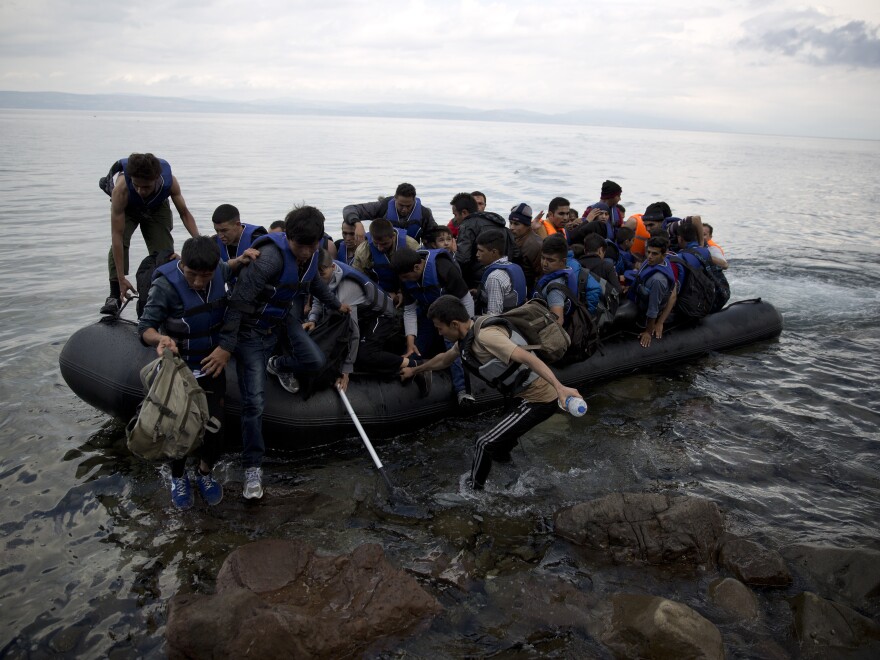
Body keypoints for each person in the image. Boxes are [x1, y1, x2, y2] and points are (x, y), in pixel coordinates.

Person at [202, 206, 350, 501]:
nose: (307, 252)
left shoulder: (312, 254)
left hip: (281, 321)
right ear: (289, 237)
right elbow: (239, 302)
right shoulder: (269, 259)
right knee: (254, 403)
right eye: (301, 246)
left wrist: (335, 305)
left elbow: (315, 284)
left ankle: (278, 364)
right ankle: (252, 468)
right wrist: (226, 347)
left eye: (313, 246)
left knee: (315, 360)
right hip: (252, 333)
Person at [400, 295, 584, 490]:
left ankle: (474, 493)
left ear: (454, 324)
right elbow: (444, 359)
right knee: (498, 448)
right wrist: (414, 370)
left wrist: (560, 387)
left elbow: (529, 359)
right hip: (520, 396)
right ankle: (519, 484)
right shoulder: (466, 337)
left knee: (484, 443)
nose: (439, 333)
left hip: (538, 398)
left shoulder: (487, 336)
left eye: (439, 328)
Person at [138, 236, 254, 509]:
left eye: (206, 276)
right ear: (182, 264)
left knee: (216, 427)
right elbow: (145, 327)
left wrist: (243, 259)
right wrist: (160, 340)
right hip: (180, 369)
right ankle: (178, 477)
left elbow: (230, 266)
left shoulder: (220, 270)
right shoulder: (165, 285)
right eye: (192, 275)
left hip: (211, 365)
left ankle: (204, 473)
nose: (199, 283)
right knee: (178, 428)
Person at [305, 250, 431, 393]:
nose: (318, 279)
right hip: (362, 315)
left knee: (365, 355)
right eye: (315, 275)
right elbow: (319, 295)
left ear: (333, 267)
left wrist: (346, 371)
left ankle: (418, 365)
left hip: (381, 315)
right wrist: (313, 319)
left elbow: (353, 332)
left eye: (321, 274)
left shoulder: (346, 291)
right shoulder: (324, 276)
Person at [102, 153, 199, 314]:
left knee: (164, 253)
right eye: (136, 185)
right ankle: (114, 295)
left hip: (157, 206)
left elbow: (185, 214)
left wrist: (199, 240)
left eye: (146, 187)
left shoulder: (170, 183)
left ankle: (164, 293)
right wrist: (121, 278)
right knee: (121, 243)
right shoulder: (121, 191)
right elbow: (117, 236)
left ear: (156, 178)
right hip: (128, 207)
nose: (140, 190)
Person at [390, 247, 475, 406]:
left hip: (453, 317)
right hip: (429, 315)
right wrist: (410, 341)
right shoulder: (405, 277)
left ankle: (462, 391)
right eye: (403, 278)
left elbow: (466, 300)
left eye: (407, 277)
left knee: (453, 348)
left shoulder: (444, 269)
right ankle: (420, 369)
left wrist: (465, 332)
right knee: (415, 349)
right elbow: (409, 310)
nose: (406, 281)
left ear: (417, 267)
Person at [451, 192, 518, 289]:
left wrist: (453, 254)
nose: (455, 219)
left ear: (464, 212)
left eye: (455, 214)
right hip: (505, 276)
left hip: (477, 281)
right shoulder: (500, 224)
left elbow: (463, 258)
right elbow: (515, 252)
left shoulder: (467, 225)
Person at [342, 182, 437, 241]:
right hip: (382, 249)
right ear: (395, 198)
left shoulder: (424, 213)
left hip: (410, 256)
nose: (404, 209)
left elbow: (435, 235)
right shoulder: (383, 206)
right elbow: (349, 209)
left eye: (408, 206)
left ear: (414, 200)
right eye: (401, 205)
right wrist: (357, 223)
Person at [629, 236, 678, 348]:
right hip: (638, 298)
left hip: (644, 313)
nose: (650, 256)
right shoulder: (653, 262)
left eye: (654, 254)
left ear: (664, 255)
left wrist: (649, 331)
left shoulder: (658, 280)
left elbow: (653, 308)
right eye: (648, 252)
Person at [351, 218, 421, 294]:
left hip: (408, 288)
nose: (380, 248)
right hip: (379, 290)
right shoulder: (362, 251)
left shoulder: (411, 246)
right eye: (376, 243)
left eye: (384, 244)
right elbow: (359, 277)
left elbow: (419, 272)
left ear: (393, 237)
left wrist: (402, 293)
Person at [474, 229, 527, 315]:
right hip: (519, 318)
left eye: (481, 251)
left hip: (504, 324)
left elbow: (494, 314)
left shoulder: (494, 277)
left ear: (494, 252)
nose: (477, 254)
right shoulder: (515, 267)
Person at [212, 203, 268, 268]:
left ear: (238, 224)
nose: (220, 236)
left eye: (224, 230)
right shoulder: (213, 243)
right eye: (217, 231)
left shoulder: (258, 239)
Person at [508, 203, 542, 293]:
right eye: (510, 223)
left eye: (516, 224)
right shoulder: (513, 237)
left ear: (527, 225)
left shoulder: (535, 245)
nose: (511, 227)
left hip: (528, 290)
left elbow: (541, 274)